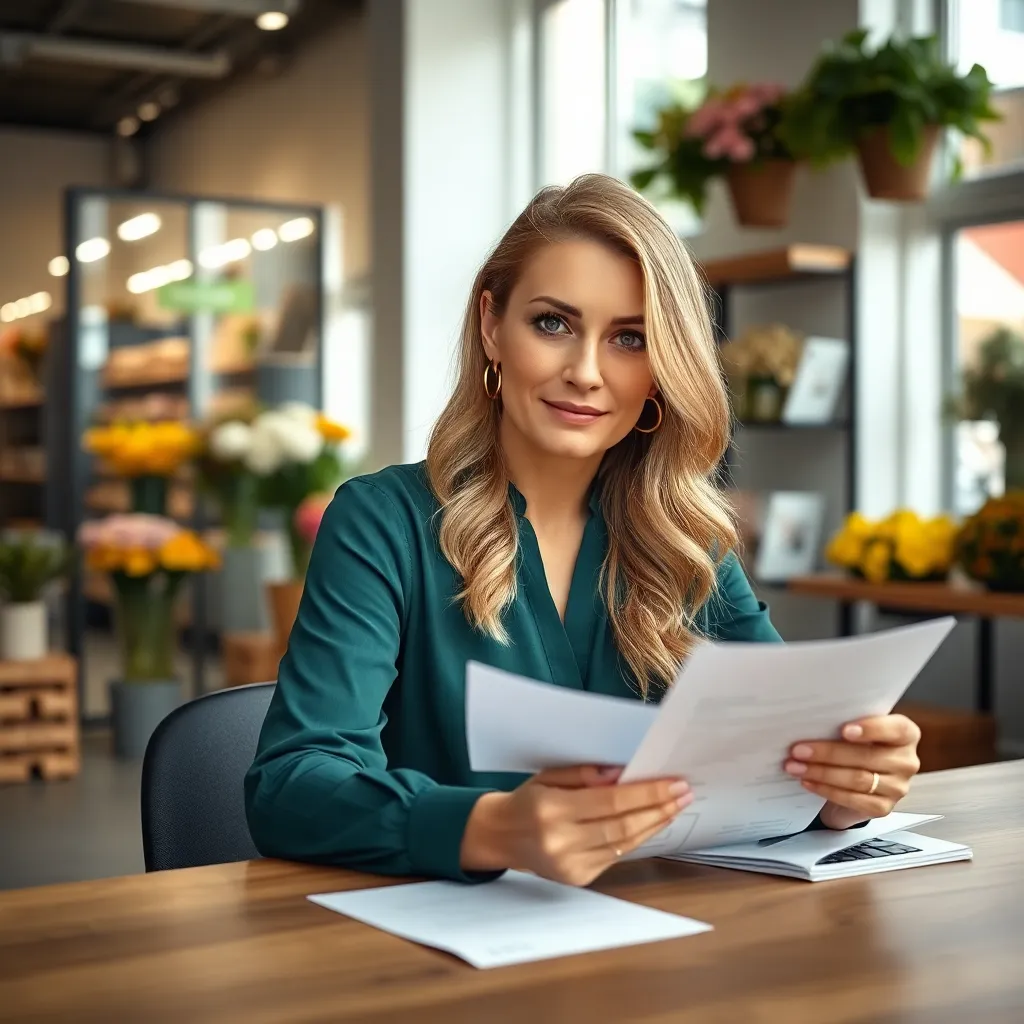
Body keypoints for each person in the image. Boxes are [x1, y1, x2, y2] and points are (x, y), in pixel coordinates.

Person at [244, 174, 921, 887]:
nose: (587, 372)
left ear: (662, 371)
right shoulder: (383, 522)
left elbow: (782, 754)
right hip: (444, 956)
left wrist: (844, 788)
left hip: (658, 952)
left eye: (630, 338)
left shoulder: (689, 542)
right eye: (553, 323)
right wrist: (491, 826)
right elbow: (291, 785)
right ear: (490, 327)